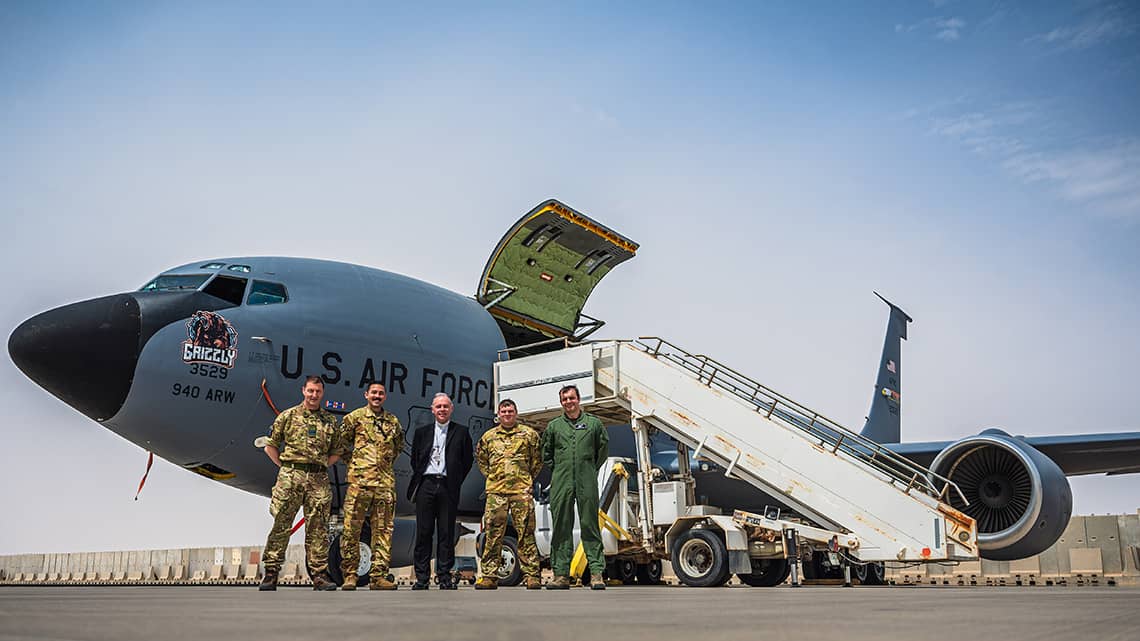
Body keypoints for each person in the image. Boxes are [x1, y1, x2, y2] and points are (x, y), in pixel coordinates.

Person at [258, 376, 343, 591]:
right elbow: (271, 445)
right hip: (291, 477)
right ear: (303, 390)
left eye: (318, 391)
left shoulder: (329, 421)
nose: (314, 395)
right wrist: (286, 467)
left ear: (322, 394)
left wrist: (320, 464)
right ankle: (270, 573)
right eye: (311, 390)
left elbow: (336, 452)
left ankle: (319, 575)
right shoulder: (288, 416)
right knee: (281, 524)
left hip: (318, 479)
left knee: (318, 529)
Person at [337, 382, 404, 591]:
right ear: (366, 395)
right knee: (351, 530)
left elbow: (397, 448)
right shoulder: (355, 418)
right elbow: (340, 444)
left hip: (384, 484)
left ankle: (379, 577)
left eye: (381, 393)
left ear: (384, 397)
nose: (377, 396)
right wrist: (355, 462)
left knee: (383, 531)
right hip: (359, 483)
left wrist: (382, 465)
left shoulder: (393, 421)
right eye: (373, 392)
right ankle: (350, 575)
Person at [541, 384, 609, 590]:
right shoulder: (554, 426)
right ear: (561, 402)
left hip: (586, 479)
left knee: (590, 524)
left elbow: (602, 450)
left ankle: (596, 574)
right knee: (561, 526)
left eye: (571, 398)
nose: (568, 402)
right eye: (564, 399)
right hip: (561, 480)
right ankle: (561, 575)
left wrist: (588, 468)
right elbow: (547, 454)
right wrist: (561, 470)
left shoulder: (593, 424)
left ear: (578, 399)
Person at [474, 399, 543, 590]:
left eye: (510, 411)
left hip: (521, 491)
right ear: (498, 414)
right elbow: (481, 460)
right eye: (503, 411)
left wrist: (526, 479)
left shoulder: (529, 435)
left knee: (526, 533)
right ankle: (489, 575)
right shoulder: (488, 437)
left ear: (516, 413)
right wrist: (494, 478)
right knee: (493, 534)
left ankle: (531, 575)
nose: (507, 414)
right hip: (496, 492)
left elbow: (537, 460)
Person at [407, 393, 473, 590]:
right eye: (439, 406)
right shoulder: (422, 432)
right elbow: (415, 458)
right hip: (426, 485)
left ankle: (444, 576)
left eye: (445, 406)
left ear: (451, 409)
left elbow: (467, 460)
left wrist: (455, 479)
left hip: (448, 486)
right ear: (432, 410)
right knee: (424, 532)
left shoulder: (461, 432)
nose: (442, 409)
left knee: (445, 533)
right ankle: (422, 578)